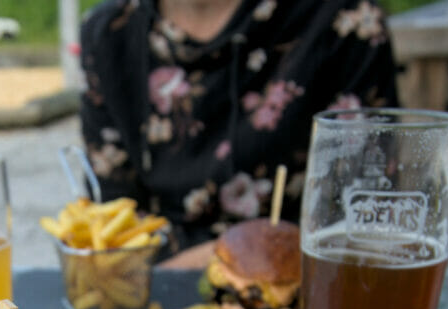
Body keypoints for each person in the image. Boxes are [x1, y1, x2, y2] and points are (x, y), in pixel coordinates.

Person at [79, 0, 399, 263]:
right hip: (153, 304)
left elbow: (368, 221)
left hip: (305, 299)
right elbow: (112, 226)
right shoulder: (109, 34)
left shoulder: (344, 21)